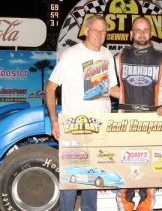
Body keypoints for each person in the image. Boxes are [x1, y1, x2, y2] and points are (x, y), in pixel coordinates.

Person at [45, 15, 119, 211]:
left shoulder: (106, 55)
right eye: (95, 30)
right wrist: (54, 120)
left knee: (93, 179)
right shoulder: (72, 54)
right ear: (86, 31)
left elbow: (111, 89)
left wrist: (142, 93)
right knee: (71, 180)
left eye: (103, 31)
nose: (99, 35)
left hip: (100, 127)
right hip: (75, 128)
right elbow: (50, 87)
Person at [114, 16, 162, 211]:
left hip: (153, 123)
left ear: (151, 33)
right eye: (138, 30)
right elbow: (102, 87)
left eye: (146, 29)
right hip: (124, 124)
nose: (142, 33)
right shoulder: (118, 58)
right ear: (131, 33)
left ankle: (146, 207)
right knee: (125, 170)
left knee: (148, 170)